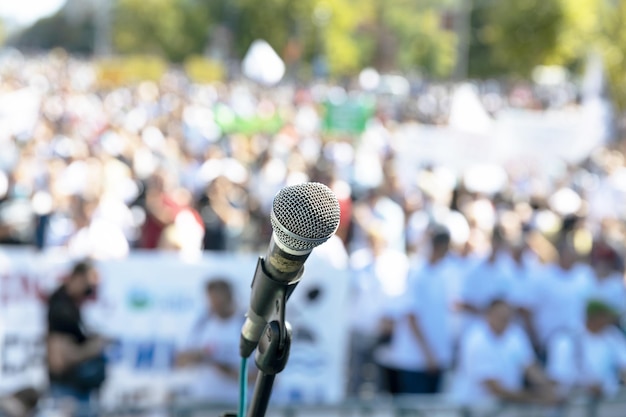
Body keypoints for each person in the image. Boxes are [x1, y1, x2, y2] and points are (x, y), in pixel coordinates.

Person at [376, 226, 455, 395]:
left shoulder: (444, 273)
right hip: (415, 360)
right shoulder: (417, 273)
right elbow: (411, 316)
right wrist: (428, 354)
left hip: (435, 358)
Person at [453, 299, 559, 414]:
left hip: (505, 407)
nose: (505, 320)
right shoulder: (476, 339)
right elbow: (495, 388)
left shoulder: (515, 333)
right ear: (488, 315)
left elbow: (530, 366)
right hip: (475, 409)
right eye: (500, 316)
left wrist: (548, 388)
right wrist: (536, 398)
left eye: (508, 317)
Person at [46, 261, 108, 417]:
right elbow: (58, 361)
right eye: (89, 286)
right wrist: (93, 347)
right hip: (68, 391)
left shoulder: (72, 306)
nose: (90, 291)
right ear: (79, 279)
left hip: (79, 390)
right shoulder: (61, 308)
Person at [175, 278, 250, 404]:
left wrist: (229, 371)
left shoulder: (245, 324)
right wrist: (197, 356)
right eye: (212, 299)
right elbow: (180, 360)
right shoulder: (203, 323)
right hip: (204, 402)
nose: (215, 303)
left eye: (219, 299)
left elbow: (263, 374)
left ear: (230, 297)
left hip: (237, 403)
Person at [546, 300, 626, 401]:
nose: (611, 320)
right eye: (607, 316)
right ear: (596, 317)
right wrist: (585, 384)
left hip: (608, 402)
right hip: (573, 403)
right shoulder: (566, 340)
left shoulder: (612, 336)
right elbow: (556, 378)